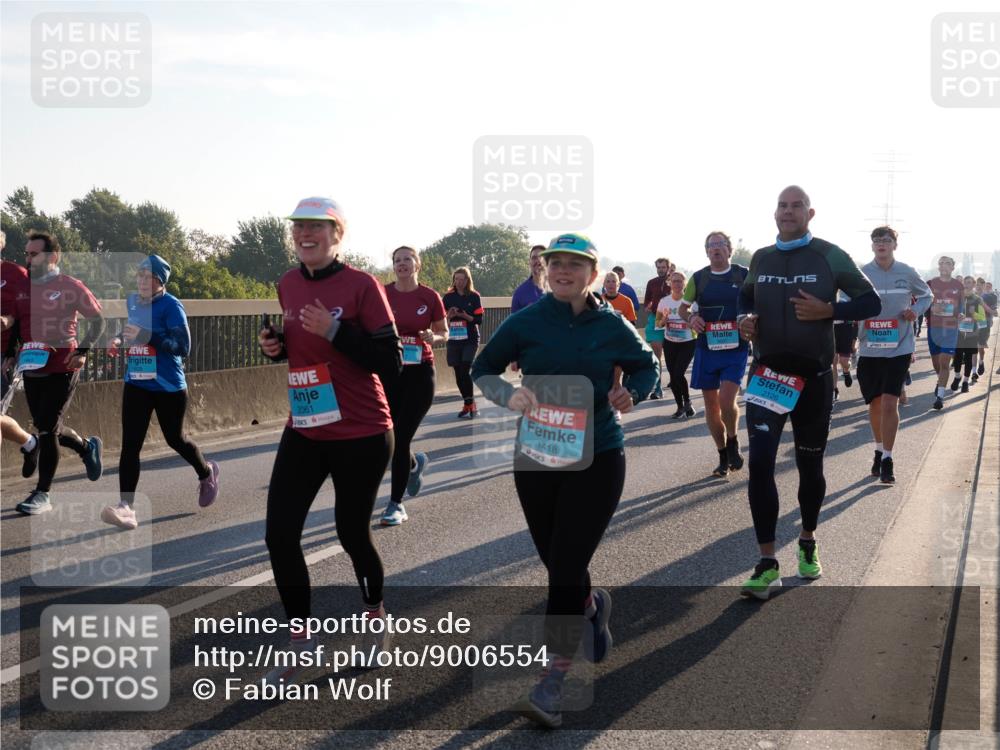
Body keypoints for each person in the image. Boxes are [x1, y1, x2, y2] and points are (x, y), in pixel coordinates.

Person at [472, 233, 658, 728]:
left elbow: (647, 365)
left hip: (598, 454)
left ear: (592, 275)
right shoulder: (526, 322)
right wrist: (505, 395)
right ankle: (592, 605)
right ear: (546, 269)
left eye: (576, 265)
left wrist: (632, 393)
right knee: (556, 558)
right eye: (556, 263)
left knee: (565, 564)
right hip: (537, 455)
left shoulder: (612, 323)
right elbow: (482, 367)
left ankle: (552, 681)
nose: (563, 271)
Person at [258, 197, 400, 686]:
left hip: (361, 431)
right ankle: (299, 642)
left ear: (338, 235)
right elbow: (303, 351)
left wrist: (337, 330)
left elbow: (390, 361)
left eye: (317, 228)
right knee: (279, 535)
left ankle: (374, 615)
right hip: (305, 425)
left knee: (351, 533)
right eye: (299, 228)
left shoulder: (363, 286)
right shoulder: (288, 283)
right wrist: (277, 348)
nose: (305, 235)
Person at [736, 186, 880, 600]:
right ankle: (766, 563)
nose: (789, 211)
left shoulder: (829, 255)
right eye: (783, 205)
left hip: (814, 379)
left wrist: (830, 310)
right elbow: (744, 297)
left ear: (809, 213)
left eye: (796, 205)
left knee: (808, 465)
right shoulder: (761, 258)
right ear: (774, 213)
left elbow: (869, 301)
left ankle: (807, 539)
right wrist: (745, 318)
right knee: (760, 464)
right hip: (767, 376)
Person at [100, 255, 220, 530]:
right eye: (140, 276)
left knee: (175, 439)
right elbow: (129, 329)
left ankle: (206, 472)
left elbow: (182, 347)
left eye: (148, 277)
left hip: (168, 386)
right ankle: (126, 507)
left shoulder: (171, 306)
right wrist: (118, 339)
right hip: (137, 383)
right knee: (131, 445)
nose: (142, 281)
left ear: (160, 281)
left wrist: (148, 336)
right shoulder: (132, 301)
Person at [13, 231, 105, 515]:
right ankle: (85, 446)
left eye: (33, 254)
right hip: (31, 364)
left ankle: (43, 494)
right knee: (45, 425)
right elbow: (17, 322)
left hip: (63, 365)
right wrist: (8, 356)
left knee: (46, 428)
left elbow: (98, 320)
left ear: (52, 257)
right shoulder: (24, 287)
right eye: (26, 254)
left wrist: (83, 352)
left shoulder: (69, 286)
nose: (28, 259)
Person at [856, 226, 931, 484]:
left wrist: (916, 310)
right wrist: (857, 314)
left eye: (886, 240)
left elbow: (926, 295)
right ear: (872, 245)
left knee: (890, 402)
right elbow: (846, 298)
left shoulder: (907, 272)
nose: (881, 244)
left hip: (900, 346)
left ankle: (888, 457)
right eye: (877, 240)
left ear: (894, 245)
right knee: (875, 404)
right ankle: (878, 449)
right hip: (869, 348)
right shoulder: (863, 273)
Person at [380, 245, 447, 526]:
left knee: (402, 437)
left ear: (417, 264)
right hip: (391, 372)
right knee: (391, 436)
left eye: (407, 259)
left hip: (421, 372)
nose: (402, 264)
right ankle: (414, 465)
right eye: (397, 260)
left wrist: (435, 336)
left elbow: (445, 332)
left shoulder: (429, 296)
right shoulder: (382, 294)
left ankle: (395, 504)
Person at [679, 232, 749, 476]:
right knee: (711, 405)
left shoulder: (743, 275)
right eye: (711, 245)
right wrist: (692, 318)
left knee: (726, 401)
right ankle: (722, 454)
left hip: (736, 348)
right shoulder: (699, 278)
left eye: (721, 244)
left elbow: (758, 303)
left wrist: (751, 319)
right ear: (706, 251)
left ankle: (733, 439)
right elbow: (682, 308)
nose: (716, 249)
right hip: (707, 348)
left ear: (729, 250)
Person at [1, 230, 40, 474]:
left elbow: (29, 310)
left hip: (4, 353)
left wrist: (8, 320)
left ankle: (31, 443)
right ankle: (30, 443)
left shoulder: (15, 274)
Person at [442, 267, 484, 418]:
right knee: (458, 373)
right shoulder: (447, 297)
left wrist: (466, 316)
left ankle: (471, 404)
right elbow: (440, 321)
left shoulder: (474, 296)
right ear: (454, 280)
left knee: (465, 370)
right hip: (453, 339)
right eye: (457, 279)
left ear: (467, 281)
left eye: (462, 279)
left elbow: (479, 320)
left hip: (470, 339)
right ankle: (467, 403)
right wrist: (449, 315)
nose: (459, 282)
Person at [926, 256, 964, 410]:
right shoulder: (930, 283)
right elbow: (923, 301)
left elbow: (961, 304)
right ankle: (940, 382)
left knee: (944, 362)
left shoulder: (958, 285)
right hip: (933, 328)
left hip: (950, 328)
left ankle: (940, 397)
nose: (944, 265)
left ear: (953, 267)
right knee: (936, 364)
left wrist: (960, 313)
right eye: (941, 263)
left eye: (947, 263)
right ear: (938, 266)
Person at [657, 271, 696, 418]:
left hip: (688, 342)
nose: (677, 284)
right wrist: (664, 321)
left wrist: (689, 322)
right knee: (673, 377)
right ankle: (680, 406)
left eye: (680, 281)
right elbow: (658, 324)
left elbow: (697, 323)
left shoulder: (691, 302)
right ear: (669, 284)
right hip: (670, 342)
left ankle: (688, 401)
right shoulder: (664, 302)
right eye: (674, 281)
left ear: (685, 283)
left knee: (679, 373)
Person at [642, 258, 672, 398]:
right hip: (657, 319)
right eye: (658, 267)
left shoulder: (675, 281)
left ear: (668, 267)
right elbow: (647, 299)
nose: (661, 269)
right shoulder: (652, 282)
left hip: (672, 319)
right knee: (656, 356)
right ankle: (658, 388)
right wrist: (648, 305)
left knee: (672, 357)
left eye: (663, 267)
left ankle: (676, 382)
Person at [951, 276, 986, 393]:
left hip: (972, 333)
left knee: (969, 357)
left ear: (974, 284)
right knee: (957, 357)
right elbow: (950, 312)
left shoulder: (977, 299)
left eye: (969, 282)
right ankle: (957, 377)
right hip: (958, 332)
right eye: (965, 282)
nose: (967, 284)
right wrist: (956, 316)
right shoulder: (958, 297)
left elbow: (982, 319)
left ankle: (965, 381)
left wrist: (974, 315)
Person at [832, 298, 858, 402]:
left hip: (845, 334)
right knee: (832, 362)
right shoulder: (825, 302)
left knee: (844, 362)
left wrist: (853, 341)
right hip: (832, 334)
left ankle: (846, 371)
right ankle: (834, 389)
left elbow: (855, 325)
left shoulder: (845, 304)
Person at [510, 245, 547, 313]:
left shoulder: (557, 290)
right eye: (534, 258)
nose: (538, 261)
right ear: (529, 262)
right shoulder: (520, 293)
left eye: (542, 257)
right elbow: (515, 323)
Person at [975, 278, 995, 377]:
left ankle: (981, 362)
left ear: (983, 286)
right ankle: (973, 371)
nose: (978, 286)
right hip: (972, 324)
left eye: (980, 285)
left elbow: (992, 310)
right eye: (976, 284)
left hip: (984, 323)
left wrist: (990, 319)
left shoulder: (990, 296)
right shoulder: (970, 295)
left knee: (980, 347)